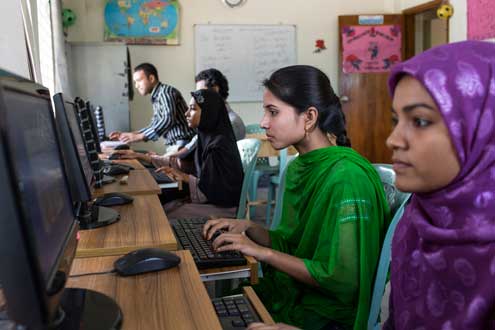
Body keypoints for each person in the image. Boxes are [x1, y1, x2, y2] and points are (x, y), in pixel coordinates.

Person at [203, 65, 390, 330]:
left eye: (273, 112)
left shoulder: (347, 178)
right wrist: (250, 229)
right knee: (205, 311)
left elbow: (342, 279)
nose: (265, 122)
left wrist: (263, 253)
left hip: (327, 314)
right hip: (297, 293)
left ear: (309, 117)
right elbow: (293, 247)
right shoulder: (298, 166)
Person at [383, 41, 495, 329]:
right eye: (396, 120)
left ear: (482, 128)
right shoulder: (417, 222)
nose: (393, 139)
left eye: (419, 121)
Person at [155, 88, 244, 218]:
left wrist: (183, 176)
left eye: (192, 109)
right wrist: (142, 157)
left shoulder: (218, 146)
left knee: (165, 215)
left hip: (224, 208)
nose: (186, 113)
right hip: (211, 200)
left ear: (209, 112)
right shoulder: (205, 137)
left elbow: (212, 190)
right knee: (164, 204)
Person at [109, 63, 195, 152]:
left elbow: (167, 120)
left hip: (182, 143)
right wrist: (129, 135)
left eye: (139, 80)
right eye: (135, 82)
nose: (136, 86)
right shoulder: (157, 96)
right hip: (176, 144)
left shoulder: (165, 92)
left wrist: (139, 137)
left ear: (151, 78)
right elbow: (154, 125)